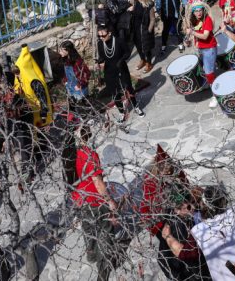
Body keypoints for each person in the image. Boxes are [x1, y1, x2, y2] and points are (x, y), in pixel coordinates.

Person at [71, 122, 124, 281]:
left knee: (89, 229)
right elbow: (98, 182)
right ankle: (103, 273)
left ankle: (92, 254)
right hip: (95, 201)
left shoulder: (74, 153)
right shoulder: (90, 154)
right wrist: (110, 201)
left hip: (81, 198)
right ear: (87, 135)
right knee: (106, 236)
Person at [96, 24, 143, 121]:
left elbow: (127, 52)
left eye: (103, 35)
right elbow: (102, 57)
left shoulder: (119, 41)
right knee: (114, 92)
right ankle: (122, 112)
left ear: (109, 33)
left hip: (121, 68)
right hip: (109, 71)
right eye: (99, 36)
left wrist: (121, 60)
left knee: (128, 88)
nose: (101, 38)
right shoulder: (100, 44)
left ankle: (136, 107)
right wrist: (99, 61)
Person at [186, 0, 219, 108]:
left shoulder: (208, 19)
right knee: (205, 70)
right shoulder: (195, 21)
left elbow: (205, 36)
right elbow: (195, 35)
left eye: (200, 10)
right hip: (201, 49)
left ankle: (215, 95)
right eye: (196, 11)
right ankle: (207, 85)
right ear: (193, 12)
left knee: (209, 72)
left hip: (209, 48)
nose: (198, 12)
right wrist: (190, 41)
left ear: (203, 10)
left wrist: (192, 32)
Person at [57, 40, 94, 119]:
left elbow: (86, 73)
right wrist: (65, 81)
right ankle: (73, 119)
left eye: (62, 50)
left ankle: (91, 116)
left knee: (84, 103)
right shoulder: (64, 60)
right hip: (70, 86)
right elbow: (64, 73)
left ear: (68, 50)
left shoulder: (77, 61)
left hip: (79, 86)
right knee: (71, 104)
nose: (60, 52)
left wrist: (81, 84)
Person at [128, 0, 157, 73]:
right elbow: (134, 12)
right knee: (138, 46)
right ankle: (142, 60)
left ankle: (149, 63)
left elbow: (152, 19)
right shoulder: (135, 2)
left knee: (146, 47)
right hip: (135, 28)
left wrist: (149, 30)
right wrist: (131, 9)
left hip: (144, 29)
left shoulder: (149, 5)